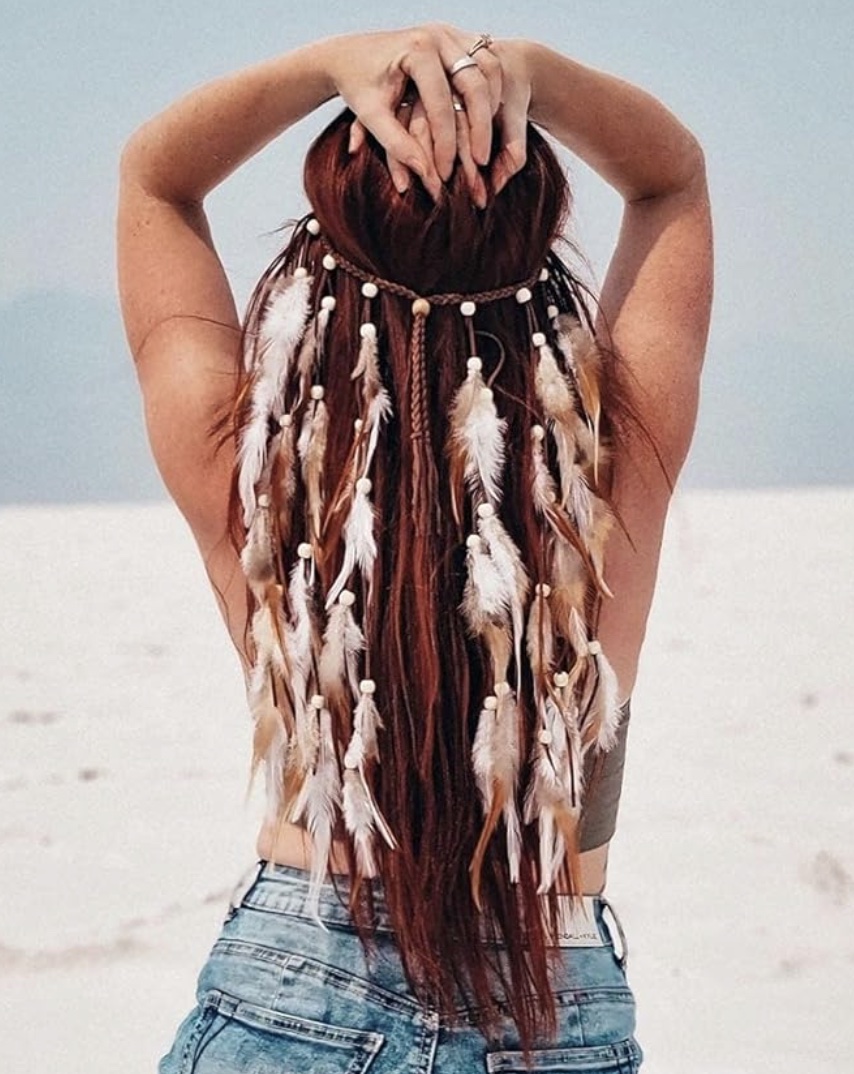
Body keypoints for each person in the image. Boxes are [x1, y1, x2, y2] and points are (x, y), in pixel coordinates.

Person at [118, 23, 712, 1074]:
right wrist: (532, 74)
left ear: (320, 262)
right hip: (549, 1006)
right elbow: (669, 180)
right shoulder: (613, 470)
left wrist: (323, 66)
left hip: (286, 988)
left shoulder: (252, 485)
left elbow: (156, 179)